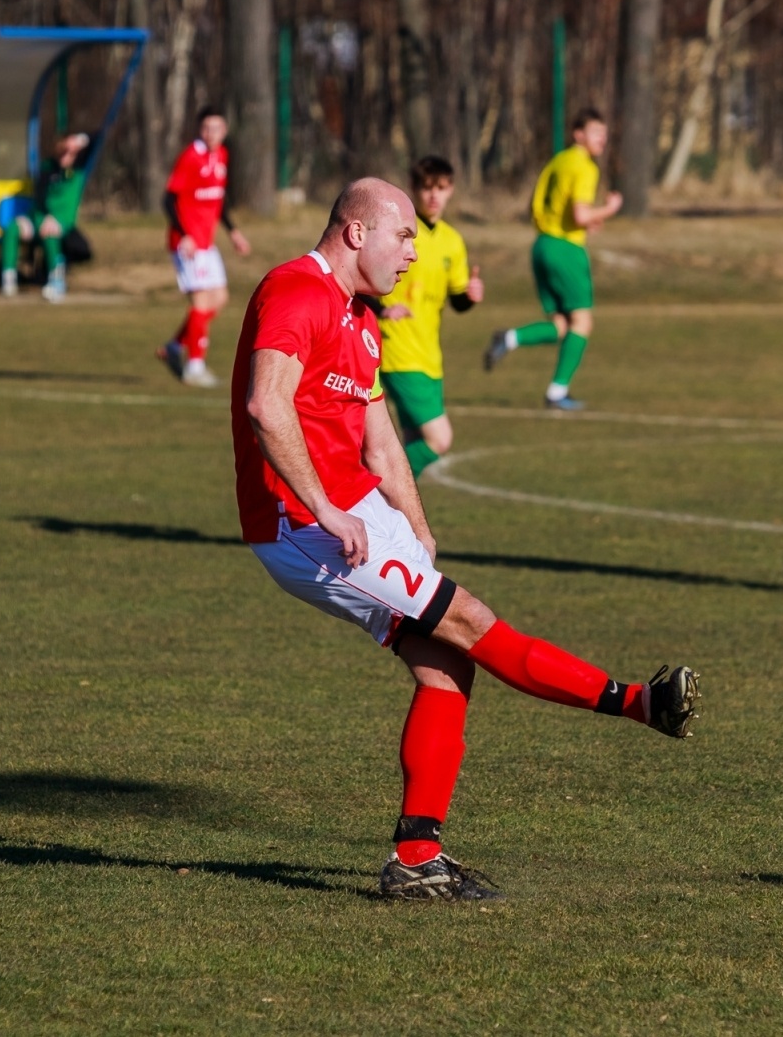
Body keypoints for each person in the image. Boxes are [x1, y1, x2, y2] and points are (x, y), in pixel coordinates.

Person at [233, 178, 701, 901]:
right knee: (471, 621)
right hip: (301, 527)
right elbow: (266, 403)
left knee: (450, 666)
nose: (415, 253)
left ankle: (417, 856)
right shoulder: (297, 291)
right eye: (404, 237)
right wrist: (324, 508)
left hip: (356, 513)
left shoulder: (360, 316)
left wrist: (414, 521)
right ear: (358, 233)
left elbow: (380, 436)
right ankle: (638, 701)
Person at [481, 107, 623, 411]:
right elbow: (581, 213)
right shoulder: (584, 165)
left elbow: (546, 207)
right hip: (565, 250)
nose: (603, 139)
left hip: (542, 245)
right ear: (578, 134)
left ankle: (510, 338)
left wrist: (581, 223)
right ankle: (557, 392)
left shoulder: (558, 161)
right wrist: (609, 209)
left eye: (605, 133)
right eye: (597, 132)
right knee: (582, 322)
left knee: (561, 325)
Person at [373, 155, 485, 477]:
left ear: (451, 190)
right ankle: (369, 494)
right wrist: (383, 309)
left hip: (429, 355)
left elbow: (458, 300)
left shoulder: (452, 240)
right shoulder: (398, 233)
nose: (434, 196)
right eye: (426, 188)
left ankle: (395, 519)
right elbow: (364, 279)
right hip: (398, 349)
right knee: (439, 438)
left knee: (414, 439)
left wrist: (470, 296)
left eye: (442, 188)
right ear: (413, 189)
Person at [155, 106, 252, 388]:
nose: (212, 133)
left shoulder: (221, 155)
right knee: (201, 302)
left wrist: (233, 232)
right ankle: (194, 367)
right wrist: (184, 234)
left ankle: (174, 347)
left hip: (206, 243)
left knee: (219, 298)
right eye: (207, 128)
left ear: (224, 131)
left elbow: (217, 200)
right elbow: (168, 200)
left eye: (217, 128)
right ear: (200, 130)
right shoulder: (190, 157)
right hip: (187, 244)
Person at [0, 132, 94, 301]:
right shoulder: (48, 168)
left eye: (71, 152)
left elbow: (95, 139)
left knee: (50, 233)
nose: (67, 155)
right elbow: (40, 199)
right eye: (63, 150)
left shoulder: (79, 170)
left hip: (63, 220)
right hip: (39, 217)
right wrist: (35, 219)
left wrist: (79, 141)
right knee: (13, 228)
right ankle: (9, 278)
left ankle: (56, 279)